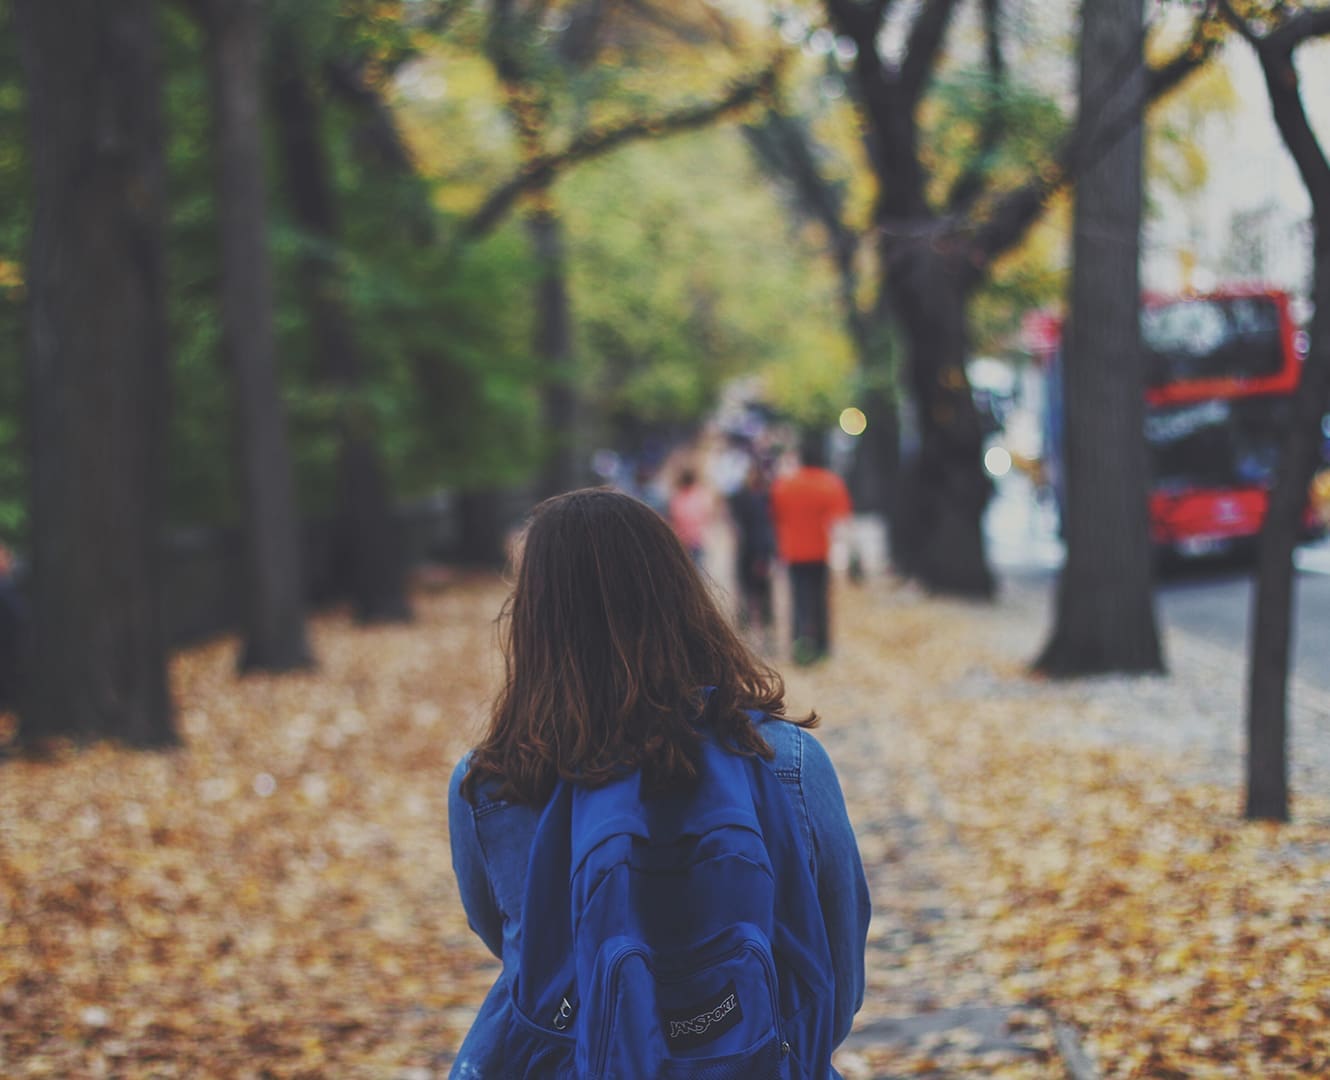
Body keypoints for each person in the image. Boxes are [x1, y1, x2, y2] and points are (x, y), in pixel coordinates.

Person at [448, 488, 870, 1079]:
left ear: (534, 620)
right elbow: (837, 975)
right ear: (683, 597)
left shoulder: (491, 783)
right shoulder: (788, 761)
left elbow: (517, 948)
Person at [769, 431, 852, 664]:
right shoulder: (830, 483)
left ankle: (799, 644)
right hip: (820, 551)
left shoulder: (785, 485)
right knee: (820, 600)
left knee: (798, 599)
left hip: (793, 551)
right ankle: (823, 646)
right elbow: (840, 521)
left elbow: (776, 516)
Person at [728, 458, 776, 647]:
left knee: (757, 592)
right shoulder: (757, 498)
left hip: (755, 551)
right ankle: (758, 632)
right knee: (754, 592)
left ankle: (759, 632)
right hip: (751, 551)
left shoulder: (756, 498)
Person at [667, 466, 712, 565]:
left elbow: (672, 519)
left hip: (682, 540)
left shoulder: (676, 498)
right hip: (695, 540)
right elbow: (706, 516)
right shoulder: (700, 497)